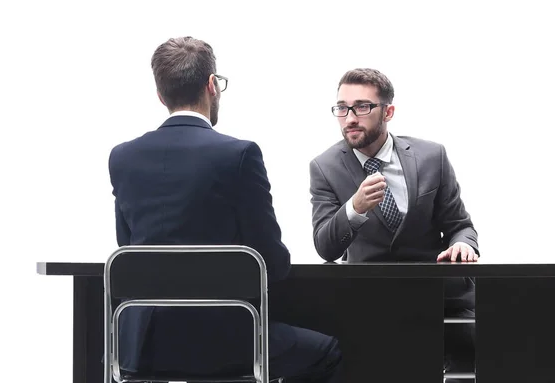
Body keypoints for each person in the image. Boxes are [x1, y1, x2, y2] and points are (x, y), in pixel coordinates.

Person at [108, 36, 342, 383]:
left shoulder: (122, 156)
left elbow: (128, 248)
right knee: (327, 353)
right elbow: (271, 263)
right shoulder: (239, 155)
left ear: (161, 95)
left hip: (141, 342)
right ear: (211, 85)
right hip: (223, 342)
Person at [308, 68, 478, 383]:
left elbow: (460, 225)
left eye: (361, 107)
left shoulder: (431, 156)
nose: (350, 118)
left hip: (438, 299)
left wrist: (463, 244)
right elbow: (325, 246)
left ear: (388, 111)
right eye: (341, 108)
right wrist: (354, 208)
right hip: (371, 303)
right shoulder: (325, 167)